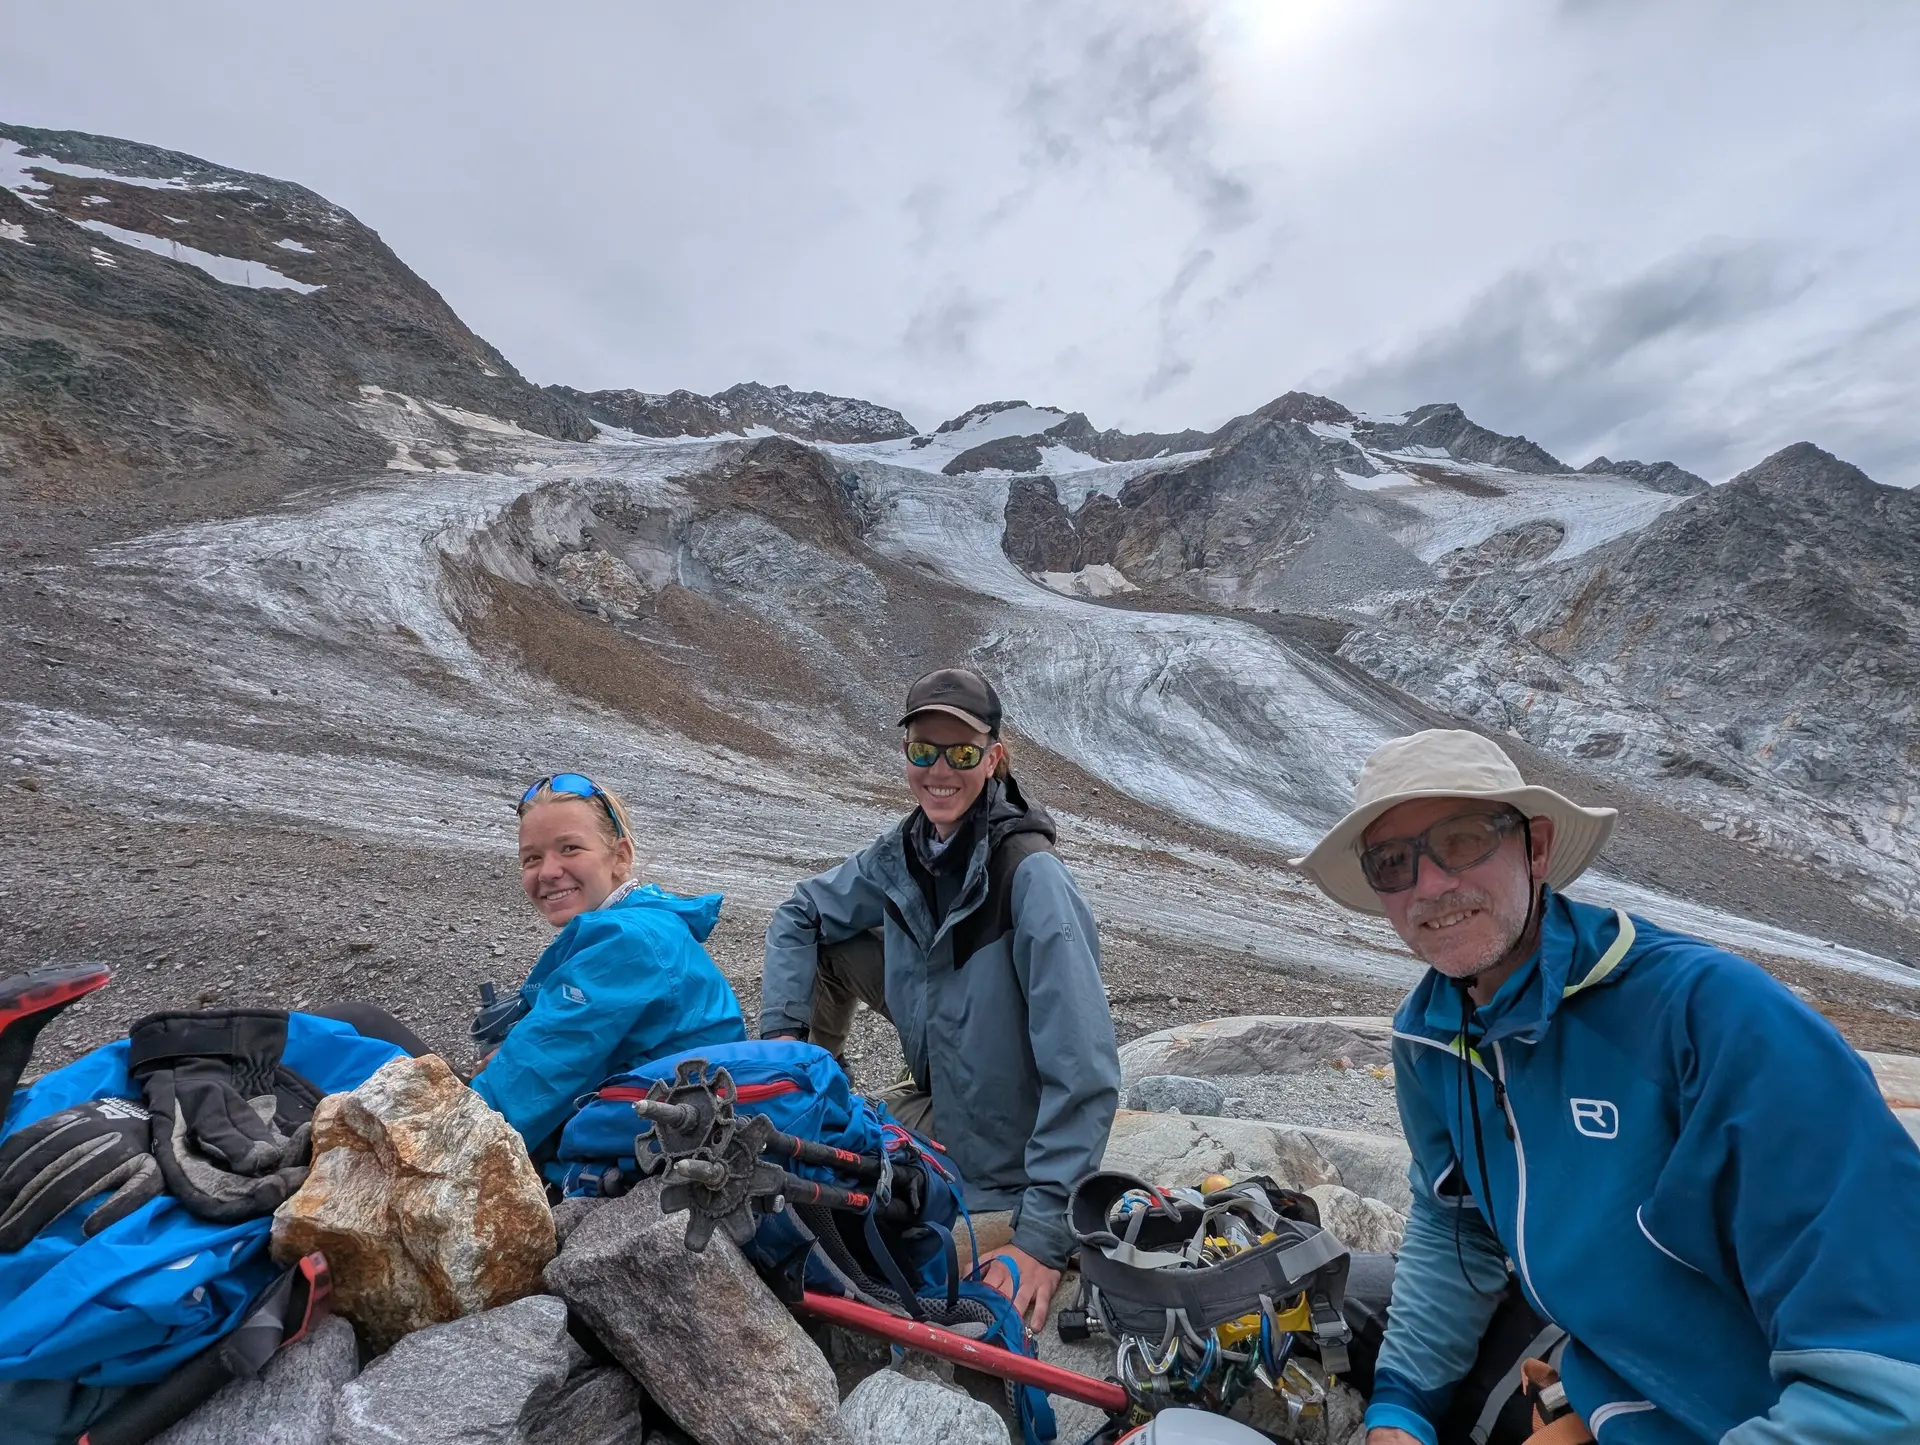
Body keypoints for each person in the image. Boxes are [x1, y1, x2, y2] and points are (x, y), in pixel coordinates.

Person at [1291, 729, 1920, 1445]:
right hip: (1610, 1392)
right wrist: (1399, 1409)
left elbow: (1886, 1389)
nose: (1430, 884)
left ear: (1535, 846)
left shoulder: (1712, 1016)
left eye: (1462, 840)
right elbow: (1454, 1220)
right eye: (1393, 861)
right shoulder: (1429, 1034)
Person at [761, 668, 1120, 1329]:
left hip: (1003, 1157)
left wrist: (1040, 1239)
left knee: (849, 1251)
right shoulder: (904, 854)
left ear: (994, 757)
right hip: (941, 1105)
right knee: (803, 1193)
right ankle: (804, 1102)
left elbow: (1086, 1069)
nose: (940, 769)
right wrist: (784, 1048)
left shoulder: (1031, 876)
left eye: (960, 752)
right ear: (906, 755)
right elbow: (800, 912)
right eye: (923, 750)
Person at [471, 772, 747, 1152]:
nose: (548, 871)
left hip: (633, 1154)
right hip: (639, 1132)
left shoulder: (627, 942)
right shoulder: (643, 924)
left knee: (365, 1025)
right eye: (532, 858)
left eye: (569, 849)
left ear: (620, 856)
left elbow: (517, 1098)